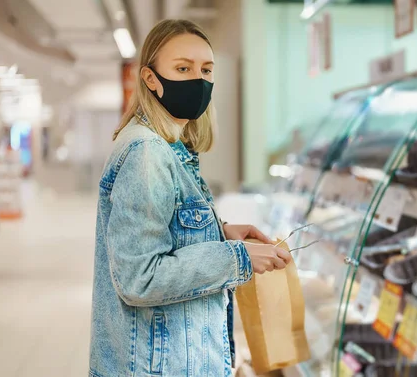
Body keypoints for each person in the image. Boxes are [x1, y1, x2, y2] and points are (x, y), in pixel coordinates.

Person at [89, 19, 292, 377]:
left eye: (206, 69)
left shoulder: (170, 145)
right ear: (151, 79)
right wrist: (237, 258)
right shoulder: (147, 154)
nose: (198, 80)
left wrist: (219, 230)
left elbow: (166, 229)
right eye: (182, 68)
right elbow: (141, 278)